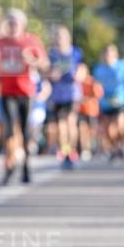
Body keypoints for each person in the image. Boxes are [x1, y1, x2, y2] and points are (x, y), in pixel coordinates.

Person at [0, 8, 48, 184]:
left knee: (25, 131)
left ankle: (26, 165)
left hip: (25, 91)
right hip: (6, 91)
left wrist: (32, 60)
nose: (12, 26)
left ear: (22, 25)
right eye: (10, 22)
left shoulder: (31, 41)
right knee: (9, 130)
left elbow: (44, 64)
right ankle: (10, 165)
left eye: (15, 23)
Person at [47, 25, 83, 169]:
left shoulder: (76, 52)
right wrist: (51, 75)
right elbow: (47, 72)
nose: (60, 39)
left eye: (62, 36)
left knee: (71, 122)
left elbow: (82, 69)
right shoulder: (52, 54)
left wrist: (79, 74)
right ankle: (65, 152)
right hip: (58, 94)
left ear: (68, 37)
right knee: (61, 126)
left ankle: (73, 151)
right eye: (57, 36)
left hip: (72, 92)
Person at [93, 44, 124, 160]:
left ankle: (123, 145)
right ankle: (115, 148)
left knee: (121, 125)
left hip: (120, 100)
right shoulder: (99, 69)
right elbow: (96, 84)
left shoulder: (122, 66)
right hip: (106, 102)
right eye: (107, 53)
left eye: (111, 53)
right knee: (110, 131)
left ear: (116, 54)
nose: (109, 56)